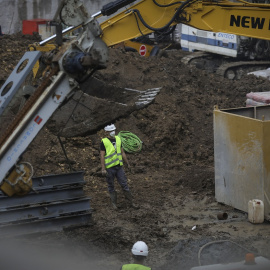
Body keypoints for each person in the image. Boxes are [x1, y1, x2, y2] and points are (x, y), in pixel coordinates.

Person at [100, 124, 136, 209]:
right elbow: (102, 155)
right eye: (110, 131)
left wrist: (127, 163)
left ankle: (131, 202)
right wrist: (103, 168)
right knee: (111, 185)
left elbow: (122, 152)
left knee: (124, 184)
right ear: (106, 132)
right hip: (109, 168)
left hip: (119, 167)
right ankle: (114, 204)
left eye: (113, 130)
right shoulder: (104, 142)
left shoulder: (118, 139)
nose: (113, 132)